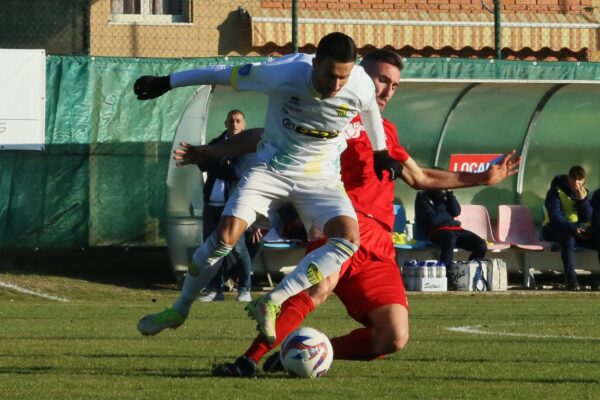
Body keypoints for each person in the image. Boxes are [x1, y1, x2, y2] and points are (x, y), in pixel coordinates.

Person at [189, 49, 522, 377]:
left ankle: (306, 353)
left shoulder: (385, 132)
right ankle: (248, 360)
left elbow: (420, 178)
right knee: (320, 286)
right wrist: (213, 151)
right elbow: (261, 137)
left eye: (394, 85)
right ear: (360, 76)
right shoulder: (330, 113)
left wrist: (483, 178)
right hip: (343, 228)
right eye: (381, 80)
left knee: (393, 336)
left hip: (379, 246)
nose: (387, 90)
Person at [134, 32, 405, 343]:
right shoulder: (284, 73)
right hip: (272, 170)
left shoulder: (359, 83)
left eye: (342, 78)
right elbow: (220, 74)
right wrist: (167, 82)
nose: (335, 86)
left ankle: (272, 301)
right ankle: (179, 310)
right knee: (224, 237)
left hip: (320, 178)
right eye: (330, 75)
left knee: (347, 240)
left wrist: (381, 153)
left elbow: (369, 108)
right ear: (314, 64)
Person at [198, 109, 252, 302]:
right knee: (211, 249)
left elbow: (235, 172)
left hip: (233, 206)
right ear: (225, 123)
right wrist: (219, 159)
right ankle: (215, 289)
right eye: (231, 120)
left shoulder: (247, 146)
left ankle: (244, 288)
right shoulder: (217, 142)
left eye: (238, 121)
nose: (234, 124)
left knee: (238, 249)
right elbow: (201, 163)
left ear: (243, 125)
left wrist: (215, 158)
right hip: (211, 204)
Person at [542, 166, 594, 291]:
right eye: (574, 182)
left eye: (580, 182)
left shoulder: (585, 193)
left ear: (584, 181)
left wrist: (582, 200)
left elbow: (587, 218)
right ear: (568, 179)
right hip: (553, 229)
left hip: (577, 229)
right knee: (568, 239)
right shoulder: (555, 192)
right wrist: (573, 227)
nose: (577, 186)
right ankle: (571, 280)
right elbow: (555, 218)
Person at [414, 189, 487, 267]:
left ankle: (471, 270)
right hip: (437, 231)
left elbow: (456, 211)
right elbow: (434, 220)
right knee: (450, 239)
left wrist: (449, 194)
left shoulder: (444, 196)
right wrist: (441, 204)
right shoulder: (422, 198)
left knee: (481, 245)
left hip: (456, 229)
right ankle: (446, 271)